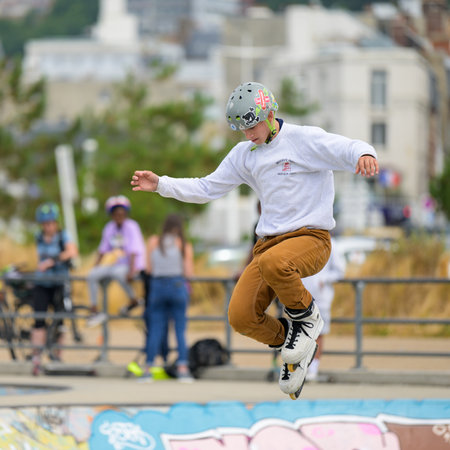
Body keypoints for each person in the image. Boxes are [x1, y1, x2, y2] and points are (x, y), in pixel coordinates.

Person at [130, 81, 379, 398]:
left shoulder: (303, 139)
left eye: (252, 126)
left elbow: (346, 147)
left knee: (277, 263)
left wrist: (365, 154)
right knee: (241, 315)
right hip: (268, 245)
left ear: (270, 113)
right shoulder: (244, 154)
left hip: (311, 239)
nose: (248, 134)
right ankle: (293, 343)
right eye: (242, 129)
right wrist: (161, 184)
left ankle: (307, 320)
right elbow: (207, 188)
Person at [139, 213, 194, 382]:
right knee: (179, 329)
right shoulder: (183, 244)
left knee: (155, 329)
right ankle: (183, 368)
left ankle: (148, 368)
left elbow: (148, 269)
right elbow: (189, 273)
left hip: (157, 287)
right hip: (177, 286)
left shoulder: (153, 242)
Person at [32, 202, 78, 375]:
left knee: (60, 321)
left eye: (50, 223)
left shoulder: (63, 236)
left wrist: (53, 261)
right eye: (44, 224)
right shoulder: (38, 236)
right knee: (39, 320)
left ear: (55, 223)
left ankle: (57, 356)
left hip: (59, 283)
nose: (48, 227)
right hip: (42, 283)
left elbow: (72, 251)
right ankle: (36, 358)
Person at [86, 195, 146, 327]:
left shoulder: (132, 226)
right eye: (116, 213)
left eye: (121, 213)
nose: (119, 215)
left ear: (126, 213)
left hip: (133, 265)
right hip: (119, 265)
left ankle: (134, 300)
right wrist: (95, 267)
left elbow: (134, 252)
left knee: (118, 273)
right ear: (111, 214)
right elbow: (103, 250)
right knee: (92, 275)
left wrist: (131, 271)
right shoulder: (109, 228)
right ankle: (94, 309)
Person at [302, 238, 346, 381]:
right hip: (300, 297)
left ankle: (313, 369)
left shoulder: (331, 244)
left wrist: (323, 279)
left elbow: (340, 271)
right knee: (301, 333)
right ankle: (302, 368)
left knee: (318, 333)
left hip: (321, 298)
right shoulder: (301, 241)